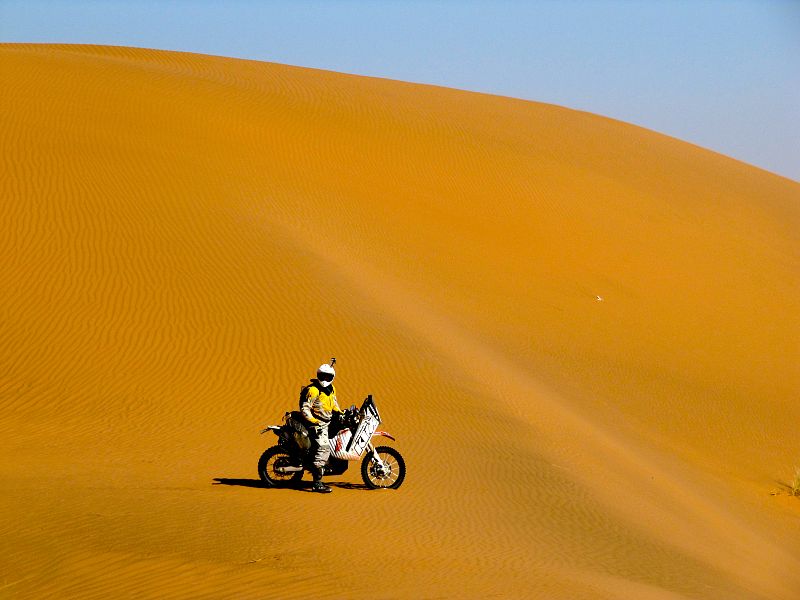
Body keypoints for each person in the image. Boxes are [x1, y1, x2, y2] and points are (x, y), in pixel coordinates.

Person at [300, 359, 344, 493]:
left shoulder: (331, 389)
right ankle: (317, 482)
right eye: (322, 375)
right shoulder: (313, 390)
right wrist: (313, 420)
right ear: (318, 375)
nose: (325, 379)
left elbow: (334, 403)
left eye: (328, 376)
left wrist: (340, 412)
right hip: (317, 423)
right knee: (324, 448)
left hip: (328, 421)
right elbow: (305, 408)